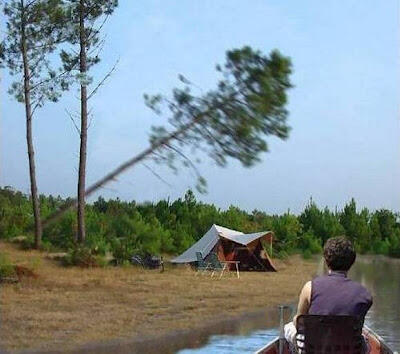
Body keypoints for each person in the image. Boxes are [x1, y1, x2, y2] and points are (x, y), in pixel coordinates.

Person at [285, 236, 373, 351]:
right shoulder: (364, 294)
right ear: (352, 262)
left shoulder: (309, 288)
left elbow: (298, 322)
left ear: (326, 261)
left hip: (315, 350)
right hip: (347, 349)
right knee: (366, 340)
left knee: (289, 327)